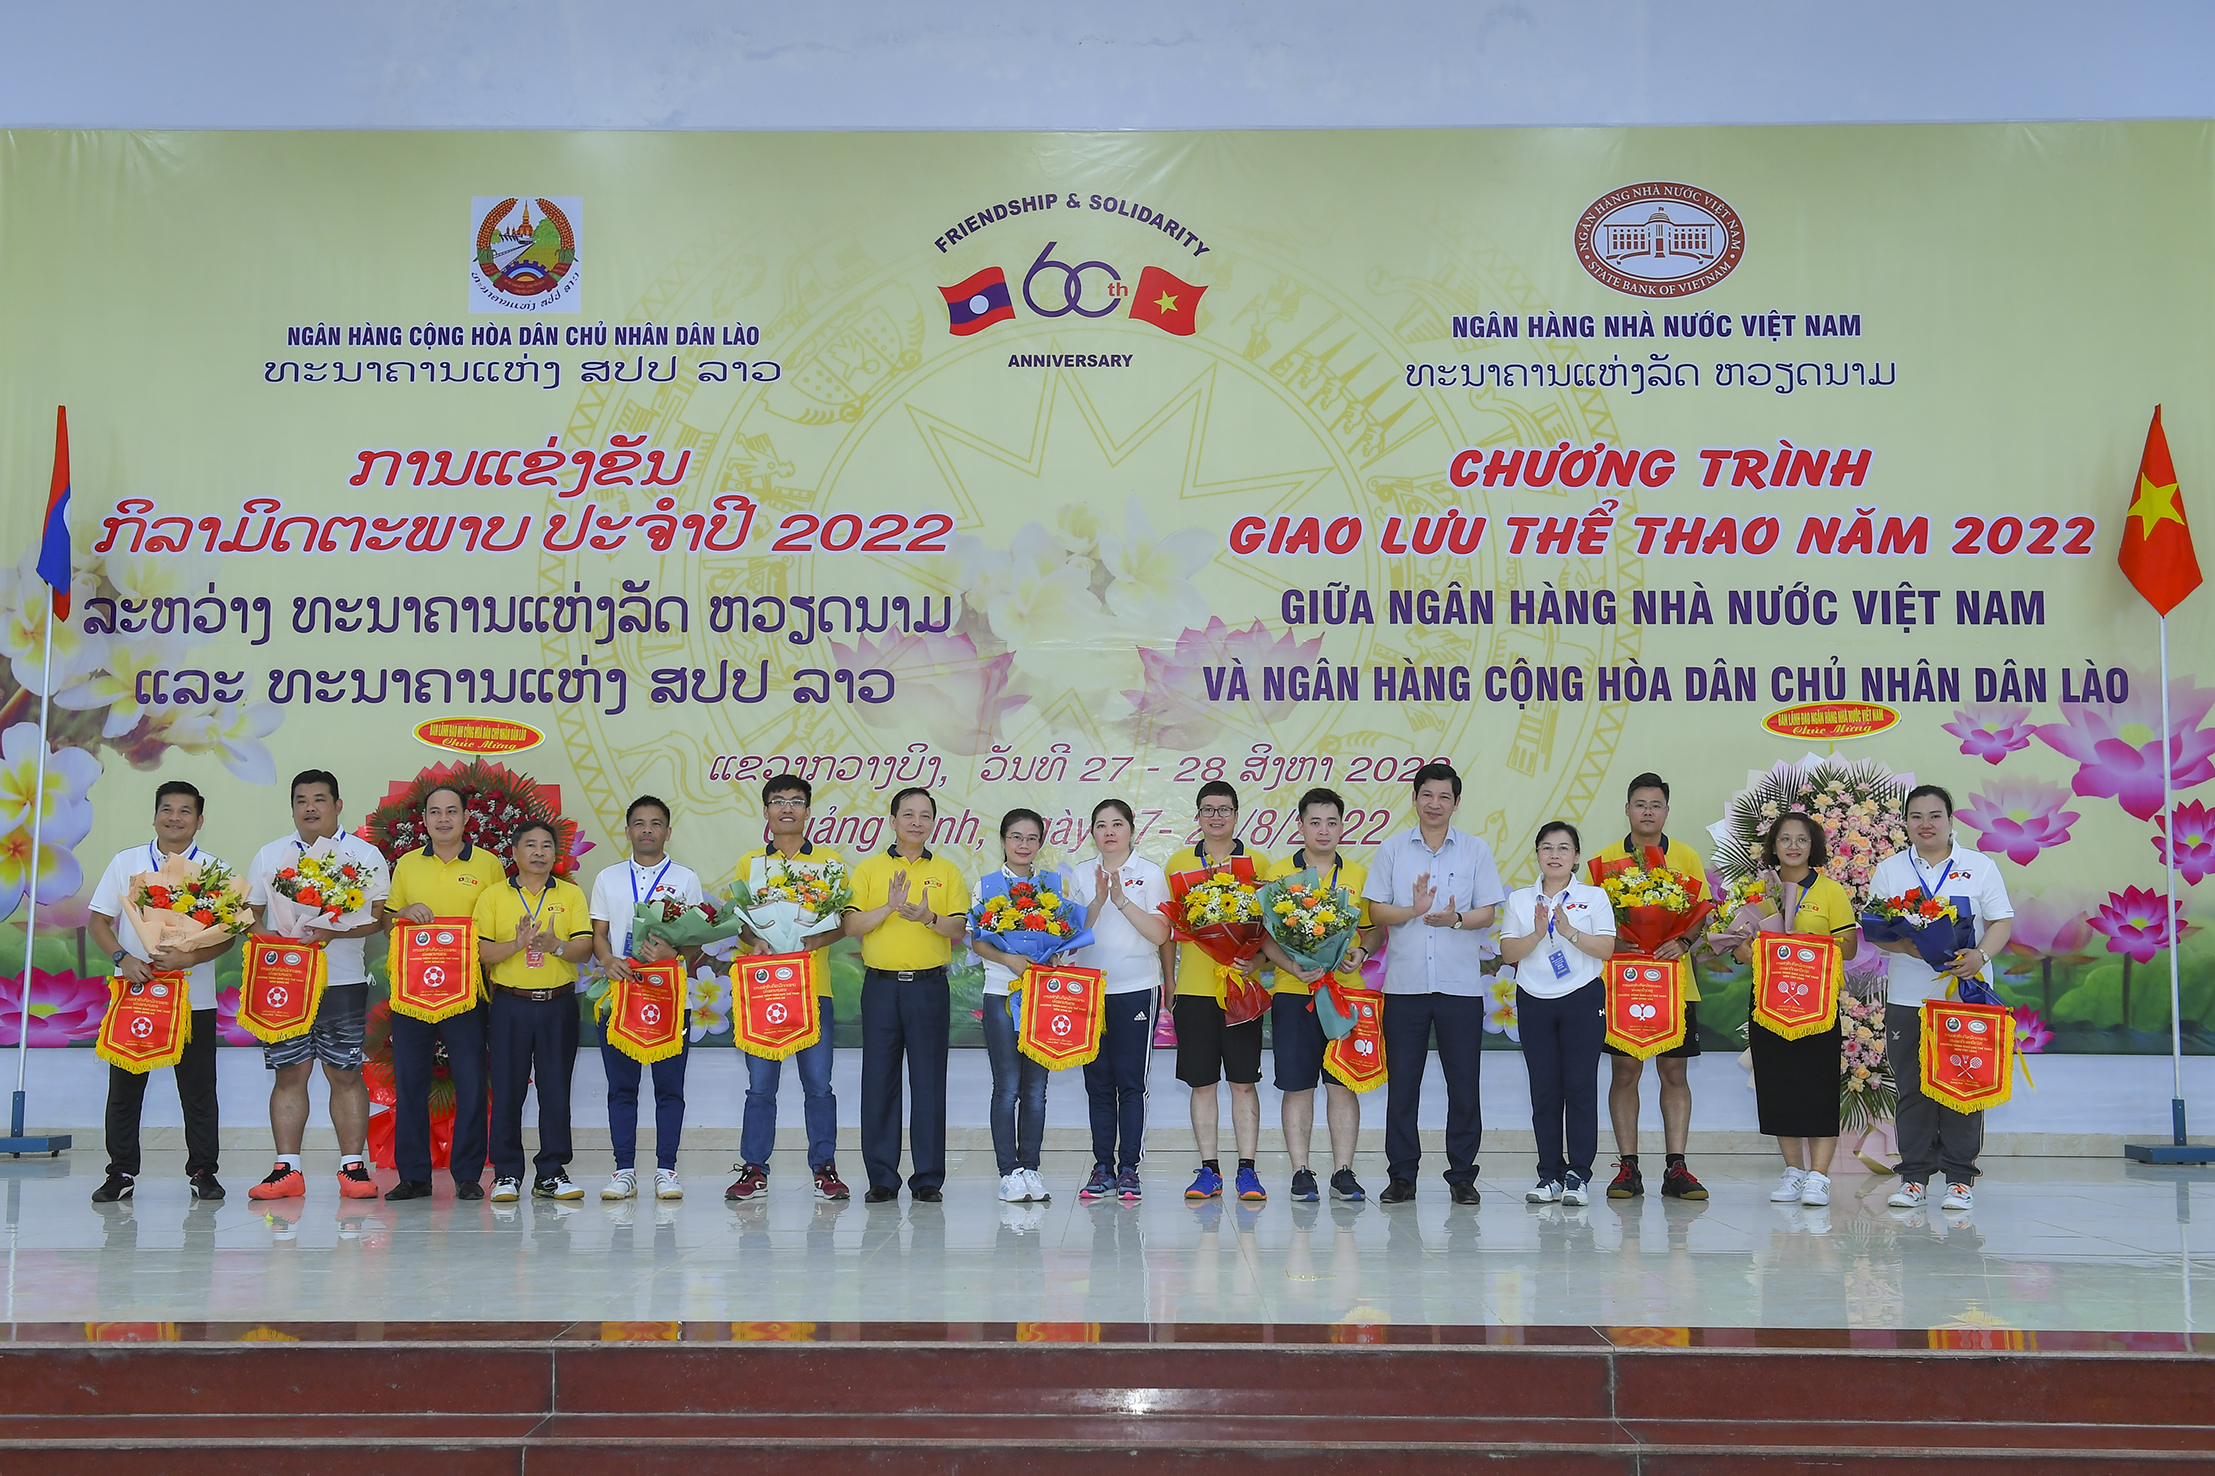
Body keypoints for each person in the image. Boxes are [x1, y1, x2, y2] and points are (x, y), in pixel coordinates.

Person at [243, 770, 392, 1203]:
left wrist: (331, 932)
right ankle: (286, 1169)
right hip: (284, 983)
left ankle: (353, 1167)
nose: (310, 808)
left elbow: (375, 919)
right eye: (301, 800)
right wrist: (276, 944)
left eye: (319, 799)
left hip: (341, 983)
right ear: (292, 807)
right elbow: (249, 914)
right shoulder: (271, 854)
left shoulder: (364, 855)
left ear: (338, 805)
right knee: (289, 1073)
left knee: (344, 1074)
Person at [87, 781, 238, 1204]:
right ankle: (120, 1172)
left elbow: (228, 935)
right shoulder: (127, 862)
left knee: (199, 1090)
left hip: (193, 998)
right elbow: (98, 921)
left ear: (199, 820)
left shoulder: (215, 870)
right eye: (167, 809)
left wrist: (190, 958)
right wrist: (122, 958)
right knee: (125, 1088)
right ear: (154, 816)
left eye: (185, 811)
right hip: (136, 993)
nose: (175, 817)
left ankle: (204, 1171)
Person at [1363, 761, 1506, 1205]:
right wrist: (1413, 910)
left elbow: (1488, 913)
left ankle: (1462, 1176)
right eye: (1427, 794)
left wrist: (1455, 919)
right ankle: (1402, 1176)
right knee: (1403, 1086)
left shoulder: (1476, 851)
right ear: (1414, 798)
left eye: (1444, 796)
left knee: (1463, 1086)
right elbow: (1375, 911)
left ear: (1456, 803)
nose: (1435, 804)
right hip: (1405, 988)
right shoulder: (1392, 850)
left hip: (1459, 988)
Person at [1872, 784, 2013, 1215]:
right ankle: (1913, 1179)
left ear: (1951, 820)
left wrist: (1979, 957)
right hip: (1909, 999)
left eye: (1935, 815)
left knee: (1964, 1087)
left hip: (1965, 997)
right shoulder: (1890, 870)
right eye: (1916, 816)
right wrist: (1905, 946)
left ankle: (1959, 1180)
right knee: (1912, 1089)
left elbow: (2001, 921)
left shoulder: (1979, 866)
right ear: (1906, 823)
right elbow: (1876, 930)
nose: (1926, 824)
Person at [1728, 811, 1860, 1209]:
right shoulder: (1759, 892)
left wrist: (1804, 945)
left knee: (1818, 1085)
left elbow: (1849, 947)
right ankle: (1794, 1171)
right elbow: (1738, 947)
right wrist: (1745, 951)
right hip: (1769, 1003)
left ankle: (1818, 1176)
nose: (1793, 846)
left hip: (1816, 1004)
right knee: (1777, 1084)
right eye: (1784, 839)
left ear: (1813, 846)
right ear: (1773, 846)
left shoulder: (1830, 891)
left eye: (1801, 839)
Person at [1588, 772, 1710, 1201]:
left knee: (1674, 1072)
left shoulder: (1686, 856)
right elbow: (1592, 917)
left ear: (1666, 811)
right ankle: (1628, 1167)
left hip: (1675, 982)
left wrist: (1684, 941)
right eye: (1640, 804)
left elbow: (1700, 912)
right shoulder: (1605, 860)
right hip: (1623, 984)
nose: (1647, 812)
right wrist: (1614, 941)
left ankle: (1677, 1167)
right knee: (1625, 1072)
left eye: (1656, 805)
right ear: (1627, 809)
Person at [728, 772, 849, 1203]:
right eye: (778, 801)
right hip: (764, 991)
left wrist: (817, 939)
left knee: (819, 1085)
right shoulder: (750, 864)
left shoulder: (830, 863)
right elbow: (739, 921)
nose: (787, 808)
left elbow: (842, 922)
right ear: (766, 811)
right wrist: (755, 940)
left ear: (808, 811)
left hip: (814, 989)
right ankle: (754, 1169)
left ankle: (825, 1168)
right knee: (761, 1085)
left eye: (796, 802)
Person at [843, 786, 967, 1203]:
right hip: (880, 987)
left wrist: (929, 917)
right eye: (908, 814)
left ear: (933, 823)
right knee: (879, 1082)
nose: (917, 822)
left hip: (929, 988)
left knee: (929, 1083)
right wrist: (889, 908)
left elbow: (958, 928)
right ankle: (882, 1178)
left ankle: (928, 1178)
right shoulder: (869, 869)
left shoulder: (947, 871)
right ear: (892, 820)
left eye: (925, 815)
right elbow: (851, 926)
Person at [380, 783, 498, 1202]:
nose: (443, 819)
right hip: (412, 991)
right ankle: (414, 1176)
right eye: (435, 812)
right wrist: (403, 913)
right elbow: (388, 921)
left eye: (451, 811)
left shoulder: (488, 865)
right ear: (424, 820)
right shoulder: (408, 864)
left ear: (466, 818)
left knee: (471, 1080)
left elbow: (497, 921)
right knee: (411, 1081)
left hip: (466, 992)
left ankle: (467, 1174)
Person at [1259, 787, 1376, 1204]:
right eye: (1315, 822)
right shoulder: (1278, 873)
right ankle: (1301, 1171)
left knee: (1343, 1085)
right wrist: (1292, 967)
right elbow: (1265, 937)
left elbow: (1375, 929)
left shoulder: (1360, 874)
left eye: (1331, 822)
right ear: (1300, 826)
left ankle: (1344, 1171)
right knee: (1298, 1086)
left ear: (1343, 827)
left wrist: (1361, 952)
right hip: (1294, 993)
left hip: (1345, 993)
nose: (1323, 830)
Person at [589, 794, 703, 1204]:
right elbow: (599, 934)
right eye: (639, 823)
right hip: (621, 995)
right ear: (627, 831)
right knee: (622, 1088)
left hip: (669, 998)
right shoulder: (608, 878)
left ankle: (666, 1171)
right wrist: (608, 961)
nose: (647, 830)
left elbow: (695, 940)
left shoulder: (686, 879)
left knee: (669, 1089)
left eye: (656, 824)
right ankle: (623, 1171)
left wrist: (675, 953)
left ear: (668, 832)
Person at [1498, 822, 1617, 1206]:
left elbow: (1606, 949)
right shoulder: (1520, 900)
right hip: (1534, 999)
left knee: (1580, 1087)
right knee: (1544, 1089)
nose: (1555, 855)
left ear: (1576, 856)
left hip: (1582, 998)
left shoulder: (1593, 897)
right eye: (1547, 847)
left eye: (1564, 848)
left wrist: (1569, 932)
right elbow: (1508, 953)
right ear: (1537, 854)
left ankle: (1578, 1176)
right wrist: (1537, 934)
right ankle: (1548, 1174)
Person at [477, 818, 596, 1202]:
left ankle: (552, 1172)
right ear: (514, 852)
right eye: (530, 845)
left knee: (555, 1091)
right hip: (510, 1004)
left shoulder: (570, 895)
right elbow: (481, 952)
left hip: (558, 1005)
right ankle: (506, 1173)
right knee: (508, 1090)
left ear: (555, 854)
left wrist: (555, 946)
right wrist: (517, 944)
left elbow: (585, 949)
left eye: (546, 845)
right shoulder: (494, 896)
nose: (539, 852)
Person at [1164, 780, 1267, 1204]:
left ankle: (1247, 1170)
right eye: (1208, 809)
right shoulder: (1178, 864)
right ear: (1198, 816)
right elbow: (1169, 930)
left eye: (1224, 809)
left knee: (1243, 1083)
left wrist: (1256, 964)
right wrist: (1170, 982)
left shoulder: (1257, 863)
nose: (1216, 817)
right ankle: (1209, 1169)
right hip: (1193, 991)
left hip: (1241, 990)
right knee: (1202, 1084)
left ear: (1237, 815)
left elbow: (1270, 932)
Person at [1065, 799, 1171, 1203]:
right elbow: (1070, 936)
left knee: (1131, 1082)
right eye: (1101, 825)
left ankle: (1129, 1168)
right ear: (1092, 832)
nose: (1109, 831)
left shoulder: (1150, 873)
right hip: (1088, 990)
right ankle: (1102, 1167)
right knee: (1097, 1084)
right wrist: (1097, 900)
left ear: (1131, 830)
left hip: (1137, 988)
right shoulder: (1081, 873)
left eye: (1117, 824)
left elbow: (1160, 934)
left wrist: (1122, 900)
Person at [970, 809, 1060, 1204]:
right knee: (1007, 1088)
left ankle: (1031, 1168)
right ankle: (1008, 1172)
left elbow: (1064, 934)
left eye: (1031, 838)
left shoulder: (1051, 887)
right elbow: (978, 941)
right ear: (1004, 841)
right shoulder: (987, 886)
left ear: (1040, 842)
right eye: (1016, 837)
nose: (1024, 845)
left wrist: (1052, 956)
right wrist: (1009, 959)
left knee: (1036, 1090)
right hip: (1001, 994)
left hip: (1041, 997)